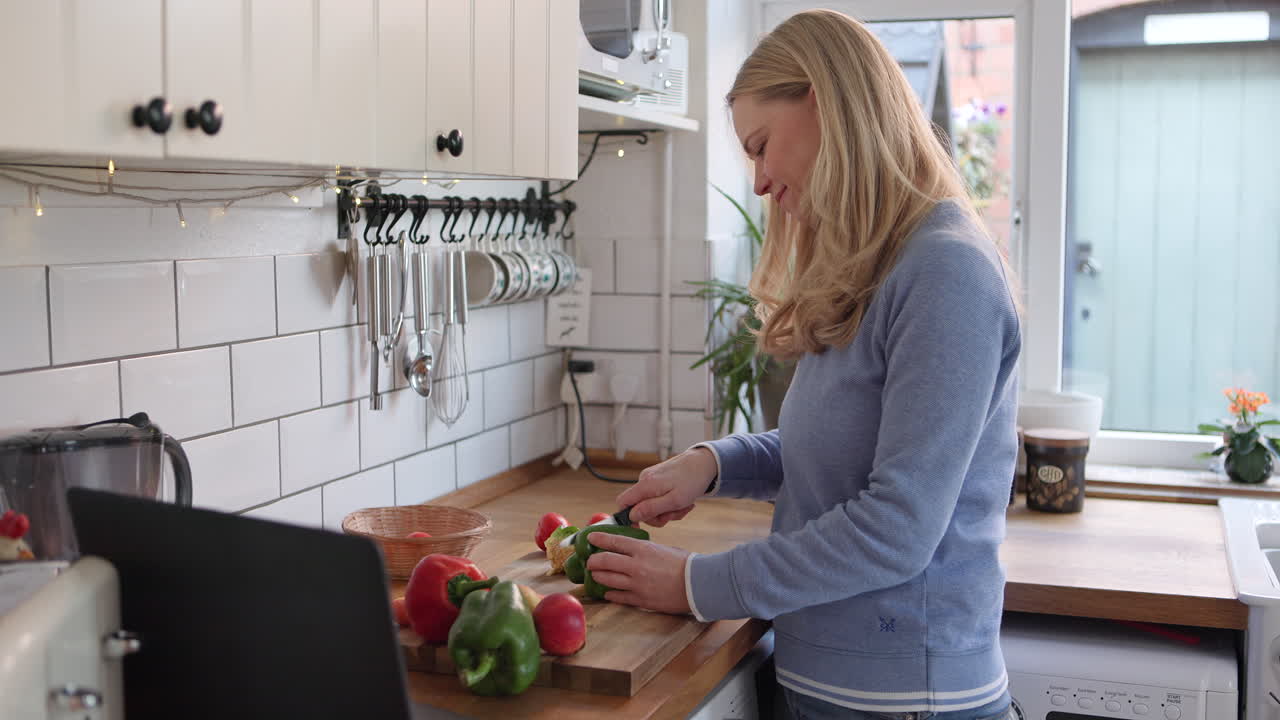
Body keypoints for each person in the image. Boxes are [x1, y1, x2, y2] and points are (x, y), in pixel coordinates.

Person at [583, 9, 1021, 720]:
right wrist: (715, 464)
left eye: (761, 146)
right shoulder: (875, 265)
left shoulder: (945, 272)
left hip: (912, 701)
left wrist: (697, 584)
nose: (757, 181)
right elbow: (840, 451)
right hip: (835, 691)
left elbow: (896, 528)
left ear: (824, 101)